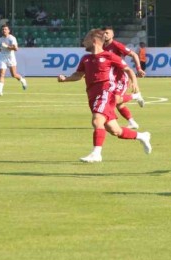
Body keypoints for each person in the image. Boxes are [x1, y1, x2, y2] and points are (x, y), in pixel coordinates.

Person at [57, 28, 152, 163]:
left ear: (94, 40)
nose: (83, 42)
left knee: (97, 121)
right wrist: (66, 79)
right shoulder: (86, 59)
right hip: (92, 95)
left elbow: (127, 69)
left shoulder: (109, 56)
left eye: (85, 39)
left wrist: (135, 83)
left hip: (106, 92)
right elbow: (78, 75)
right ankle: (142, 136)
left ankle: (97, 153)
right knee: (115, 130)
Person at [102, 26, 145, 129]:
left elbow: (134, 54)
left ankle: (136, 96)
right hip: (111, 78)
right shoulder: (102, 47)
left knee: (116, 100)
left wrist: (138, 69)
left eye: (107, 33)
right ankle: (132, 122)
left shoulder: (116, 45)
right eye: (103, 33)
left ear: (112, 35)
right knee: (118, 104)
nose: (105, 35)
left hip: (121, 77)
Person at [0, 24, 27, 96]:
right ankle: (0, 91)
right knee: (1, 74)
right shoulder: (0, 39)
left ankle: (22, 80)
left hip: (11, 58)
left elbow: (16, 48)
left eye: (5, 29)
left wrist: (7, 46)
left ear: (9, 31)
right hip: (3, 58)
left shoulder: (12, 38)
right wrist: (0, 49)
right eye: (3, 29)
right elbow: (3, 48)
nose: (4, 31)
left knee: (14, 74)